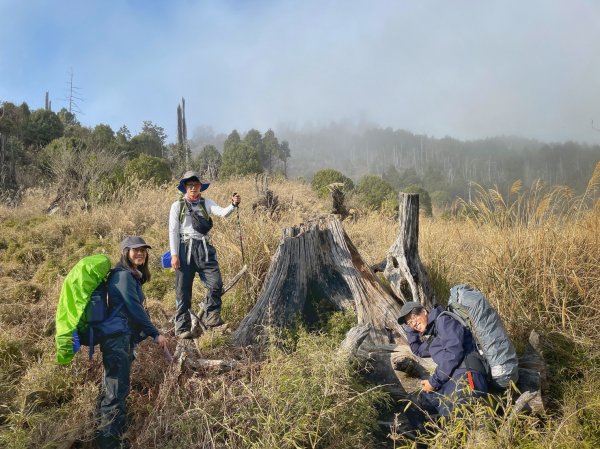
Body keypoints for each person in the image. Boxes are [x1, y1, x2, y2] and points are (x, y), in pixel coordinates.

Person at [96, 236, 169, 449]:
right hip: (117, 341)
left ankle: (104, 437)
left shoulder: (127, 276)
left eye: (143, 251)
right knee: (115, 394)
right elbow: (135, 310)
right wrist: (155, 334)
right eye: (135, 250)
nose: (140, 254)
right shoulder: (124, 276)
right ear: (125, 252)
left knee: (111, 390)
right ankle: (109, 443)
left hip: (119, 340)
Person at [169, 171, 241, 338]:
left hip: (204, 247)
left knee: (215, 283)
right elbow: (173, 230)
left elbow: (222, 213)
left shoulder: (206, 203)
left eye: (196, 185)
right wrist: (174, 255)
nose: (193, 188)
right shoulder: (177, 206)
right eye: (190, 185)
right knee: (182, 290)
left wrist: (233, 204)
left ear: (200, 186)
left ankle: (212, 317)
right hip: (184, 248)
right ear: (185, 188)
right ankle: (182, 328)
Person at [398, 301, 488, 426]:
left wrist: (433, 382)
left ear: (424, 311)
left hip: (466, 377)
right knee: (412, 403)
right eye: (409, 322)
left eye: (414, 317)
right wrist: (410, 329)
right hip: (450, 381)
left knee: (456, 424)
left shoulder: (444, 320)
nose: (414, 323)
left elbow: (453, 354)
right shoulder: (435, 335)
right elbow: (418, 350)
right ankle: (425, 443)